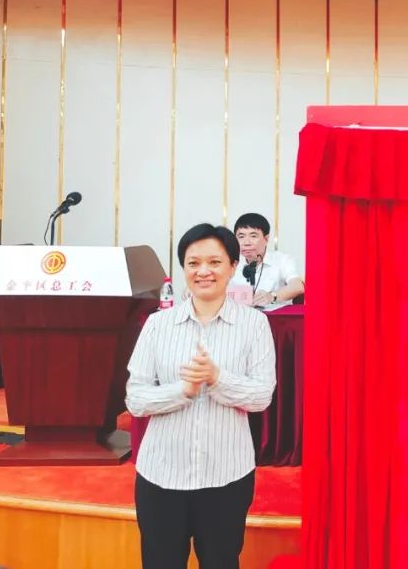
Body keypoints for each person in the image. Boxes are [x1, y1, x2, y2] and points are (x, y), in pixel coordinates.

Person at [127, 223, 277, 569]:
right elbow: (135, 399)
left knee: (221, 561)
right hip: (161, 476)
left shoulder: (254, 325)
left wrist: (217, 379)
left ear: (233, 266)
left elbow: (261, 396)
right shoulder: (157, 325)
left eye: (214, 262)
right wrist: (182, 391)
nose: (203, 271)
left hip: (226, 476)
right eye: (193, 263)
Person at [233, 213, 305, 310]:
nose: (246, 243)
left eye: (253, 236)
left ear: (266, 239)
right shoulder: (231, 263)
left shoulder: (282, 260)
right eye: (241, 237)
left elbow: (297, 286)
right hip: (241, 317)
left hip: (275, 317)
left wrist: (272, 296)